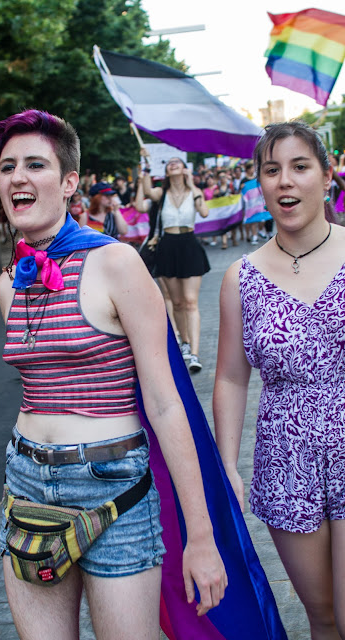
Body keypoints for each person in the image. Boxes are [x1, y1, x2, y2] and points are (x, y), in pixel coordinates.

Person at [0, 108, 227, 639]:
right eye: (7, 168)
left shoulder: (118, 263)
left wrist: (201, 535)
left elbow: (166, 403)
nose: (17, 178)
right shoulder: (10, 283)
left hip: (113, 490)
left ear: (70, 182)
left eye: (35, 165)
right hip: (27, 487)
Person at [213, 121, 345, 639]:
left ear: (327, 175)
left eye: (299, 166)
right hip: (285, 457)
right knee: (324, 617)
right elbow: (229, 377)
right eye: (272, 171)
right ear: (259, 185)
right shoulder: (240, 277)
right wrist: (227, 464)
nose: (285, 181)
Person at [139, 154, 209, 373]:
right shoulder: (163, 193)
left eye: (178, 162)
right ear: (167, 172)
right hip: (167, 246)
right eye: (170, 164)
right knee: (177, 302)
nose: (173, 164)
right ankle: (185, 342)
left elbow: (204, 212)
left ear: (185, 169)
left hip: (189, 244)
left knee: (190, 301)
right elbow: (148, 192)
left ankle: (195, 354)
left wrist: (193, 185)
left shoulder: (194, 192)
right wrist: (146, 168)